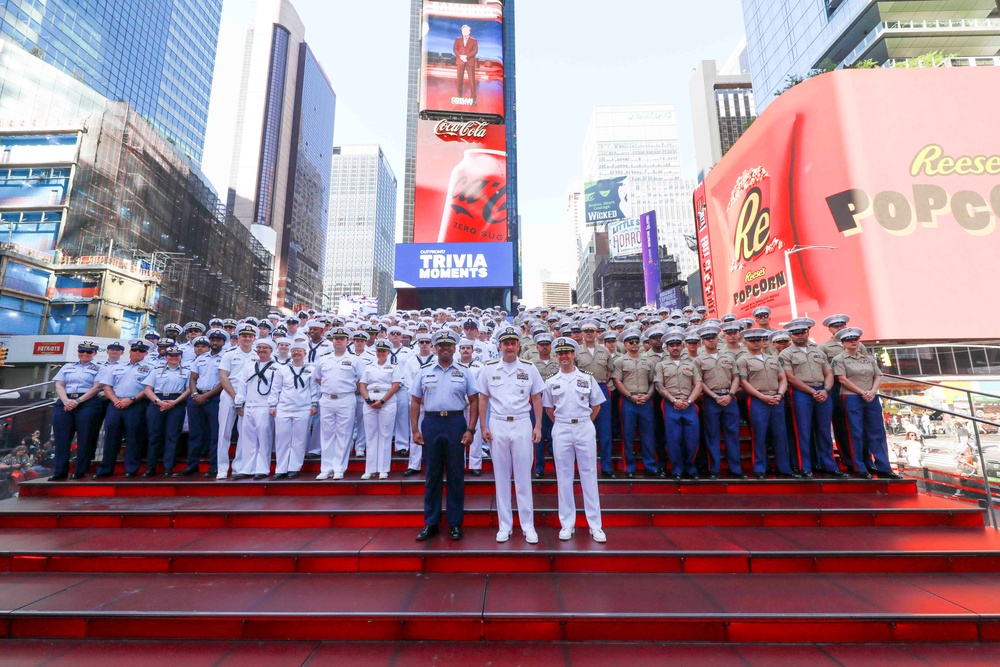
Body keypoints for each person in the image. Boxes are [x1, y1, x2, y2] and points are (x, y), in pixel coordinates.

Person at [411, 331, 479, 541]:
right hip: (431, 423)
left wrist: (470, 429)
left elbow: (474, 401)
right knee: (432, 474)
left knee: (456, 475)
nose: (445, 348)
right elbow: (414, 401)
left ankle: (455, 523)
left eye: (449, 345)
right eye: (440, 345)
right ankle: (431, 522)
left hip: (455, 423)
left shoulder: (465, 372)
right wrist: (415, 430)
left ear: (455, 348)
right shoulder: (424, 371)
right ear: (435, 348)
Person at [479, 325, 544, 544]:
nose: (509, 347)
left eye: (512, 343)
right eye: (505, 343)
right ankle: (504, 525)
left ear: (518, 346)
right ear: (499, 346)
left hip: (522, 422)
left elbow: (536, 398)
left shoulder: (529, 367)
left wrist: (538, 427)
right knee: (501, 476)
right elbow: (483, 399)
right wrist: (483, 426)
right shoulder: (488, 368)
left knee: (523, 476)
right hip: (497, 424)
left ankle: (528, 525)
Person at [542, 337, 606, 543]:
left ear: (574, 354)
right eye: (560, 353)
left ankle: (595, 525)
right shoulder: (551, 381)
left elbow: (596, 405)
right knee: (564, 476)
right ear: (556, 355)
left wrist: (583, 422)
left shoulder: (587, 378)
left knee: (589, 475)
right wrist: (564, 423)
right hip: (561, 428)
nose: (564, 356)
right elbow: (549, 409)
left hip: (584, 426)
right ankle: (567, 523)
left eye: (567, 352)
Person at [779, 318, 846, 479]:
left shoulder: (818, 352)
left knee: (824, 431)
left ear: (808, 332)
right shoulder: (786, 353)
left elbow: (828, 373)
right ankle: (804, 466)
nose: (799, 335)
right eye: (795, 333)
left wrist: (826, 390)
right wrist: (811, 391)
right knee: (802, 430)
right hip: (801, 392)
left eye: (802, 332)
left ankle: (828, 465)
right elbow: (790, 377)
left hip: (822, 391)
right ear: (790, 335)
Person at [832, 327, 901, 480]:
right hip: (851, 397)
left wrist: (872, 391)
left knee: (878, 432)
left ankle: (884, 467)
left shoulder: (868, 358)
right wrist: (862, 392)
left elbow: (878, 375)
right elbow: (842, 379)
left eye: (855, 339)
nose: (853, 342)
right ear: (842, 342)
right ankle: (859, 466)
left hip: (871, 396)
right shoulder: (839, 359)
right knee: (855, 432)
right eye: (849, 340)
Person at [737, 329, 799, 479]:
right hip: (758, 400)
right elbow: (743, 382)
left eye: (758, 339)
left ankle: (784, 468)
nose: (756, 342)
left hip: (776, 399)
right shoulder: (742, 360)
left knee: (780, 435)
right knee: (759, 435)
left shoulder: (772, 358)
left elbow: (782, 378)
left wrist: (779, 394)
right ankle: (760, 468)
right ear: (745, 343)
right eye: (752, 340)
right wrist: (761, 397)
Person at [94, 340, 154, 478]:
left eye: (140, 351)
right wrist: (115, 400)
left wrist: (131, 400)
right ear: (130, 352)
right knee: (110, 437)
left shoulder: (150, 368)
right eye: (134, 350)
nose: (137, 353)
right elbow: (107, 386)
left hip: (136, 404)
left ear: (146, 353)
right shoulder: (116, 367)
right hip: (115, 404)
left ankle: (131, 469)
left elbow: (148, 388)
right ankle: (105, 469)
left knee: (134, 438)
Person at [313, 327, 365, 480]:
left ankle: (339, 468)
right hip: (327, 398)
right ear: (332, 340)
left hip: (346, 399)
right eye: (336, 338)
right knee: (327, 434)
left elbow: (362, 380)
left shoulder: (356, 359)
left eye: (342, 338)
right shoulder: (323, 359)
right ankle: (326, 468)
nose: (338, 341)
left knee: (343, 434)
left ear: (348, 341)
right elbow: (318, 378)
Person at [51, 340, 104, 480]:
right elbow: (59, 385)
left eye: (89, 352)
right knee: (61, 438)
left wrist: (78, 401)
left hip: (88, 402)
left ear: (95, 353)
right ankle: (59, 471)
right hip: (65, 401)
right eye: (82, 351)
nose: (85, 354)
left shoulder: (99, 368)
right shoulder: (67, 366)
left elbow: (97, 387)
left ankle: (80, 470)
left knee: (85, 437)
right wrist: (66, 401)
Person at [654, 329, 702, 480]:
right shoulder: (661, 365)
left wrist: (688, 401)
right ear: (666, 348)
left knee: (692, 438)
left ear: (682, 347)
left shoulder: (691, 365)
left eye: (677, 345)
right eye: (671, 345)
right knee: (673, 439)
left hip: (689, 404)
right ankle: (677, 469)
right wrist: (674, 400)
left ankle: (690, 467)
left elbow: (698, 385)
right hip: (671, 404)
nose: (675, 347)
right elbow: (658, 386)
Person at [182, 329, 227, 477]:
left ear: (223, 342)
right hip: (196, 397)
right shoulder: (200, 358)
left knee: (214, 434)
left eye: (218, 340)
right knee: (195, 434)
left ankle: (213, 466)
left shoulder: (226, 358)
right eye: (213, 340)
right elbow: (193, 378)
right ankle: (192, 465)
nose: (215, 342)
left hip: (214, 398)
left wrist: (206, 395)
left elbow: (224, 381)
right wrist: (195, 394)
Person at [141, 345, 192, 476]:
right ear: (166, 357)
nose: (174, 358)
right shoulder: (156, 369)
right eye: (171, 355)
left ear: (181, 357)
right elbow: (147, 389)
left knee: (172, 436)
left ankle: (168, 467)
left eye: (177, 356)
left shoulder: (187, 371)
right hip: (157, 401)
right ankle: (150, 467)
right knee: (154, 436)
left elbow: (189, 389)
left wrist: (175, 402)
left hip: (177, 402)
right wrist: (158, 402)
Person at [234, 339, 281, 480]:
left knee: (264, 438)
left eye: (265, 348)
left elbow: (276, 388)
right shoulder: (249, 366)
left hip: (265, 406)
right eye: (259, 347)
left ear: (271, 350)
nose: (261, 350)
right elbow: (242, 386)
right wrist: (239, 403)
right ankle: (247, 468)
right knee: (248, 439)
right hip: (249, 405)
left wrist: (273, 405)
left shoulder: (278, 367)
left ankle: (262, 469)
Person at [612, 330, 656, 479]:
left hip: (645, 400)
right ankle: (629, 467)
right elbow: (617, 381)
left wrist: (648, 395)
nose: (635, 344)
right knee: (628, 435)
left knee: (648, 435)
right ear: (625, 344)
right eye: (631, 342)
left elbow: (652, 382)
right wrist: (630, 396)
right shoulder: (620, 361)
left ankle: (650, 466)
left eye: (637, 341)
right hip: (628, 401)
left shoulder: (648, 361)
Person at [272, 339, 319, 479]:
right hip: (284, 407)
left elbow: (314, 389)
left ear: (305, 353)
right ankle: (281, 468)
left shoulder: (311, 369)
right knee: (282, 439)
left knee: (299, 439)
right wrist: (272, 405)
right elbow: (276, 389)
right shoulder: (283, 369)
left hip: (303, 408)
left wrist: (314, 404)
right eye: (294, 351)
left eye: (299, 351)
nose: (296, 353)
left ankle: (294, 467)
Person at [217, 323, 258, 479]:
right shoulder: (229, 354)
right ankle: (222, 468)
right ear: (238, 338)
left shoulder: (257, 355)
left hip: (250, 398)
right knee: (224, 433)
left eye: (250, 336)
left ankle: (239, 467)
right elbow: (223, 377)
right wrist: (235, 397)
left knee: (245, 434)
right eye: (244, 336)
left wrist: (243, 399)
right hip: (229, 395)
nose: (247, 338)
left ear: (254, 338)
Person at [359, 340, 403, 479]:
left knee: (385, 434)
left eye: (383, 351)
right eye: (379, 351)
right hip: (370, 401)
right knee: (370, 435)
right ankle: (370, 469)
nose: (381, 353)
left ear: (388, 352)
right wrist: (367, 400)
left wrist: (382, 401)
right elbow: (362, 385)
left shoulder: (394, 367)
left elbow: (395, 385)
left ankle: (383, 469)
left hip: (387, 402)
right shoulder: (369, 366)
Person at [577, 321, 615, 478]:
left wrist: (600, 383)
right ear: (582, 333)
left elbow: (609, 371)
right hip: (582, 390)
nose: (589, 334)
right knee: (582, 430)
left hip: (601, 387)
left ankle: (606, 467)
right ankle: (584, 467)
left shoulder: (604, 351)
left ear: (596, 332)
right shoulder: (577, 351)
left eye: (591, 331)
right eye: (586, 331)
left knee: (605, 430)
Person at [529, 332, 558, 478]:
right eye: (542, 345)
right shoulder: (531, 363)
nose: (545, 347)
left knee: (556, 434)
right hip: (538, 400)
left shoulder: (557, 362)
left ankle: (558, 465)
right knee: (537, 433)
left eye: (547, 344)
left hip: (556, 401)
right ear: (537, 346)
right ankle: (539, 467)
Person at [457, 338, 486, 475]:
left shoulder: (480, 367)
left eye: (468, 348)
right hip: (458, 405)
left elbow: (481, 387)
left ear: (473, 350)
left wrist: (470, 399)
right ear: (459, 350)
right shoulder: (455, 366)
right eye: (463, 348)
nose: (465, 350)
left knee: (475, 431)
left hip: (475, 403)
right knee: (459, 433)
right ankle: (459, 463)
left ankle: (475, 465)